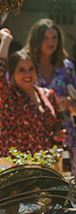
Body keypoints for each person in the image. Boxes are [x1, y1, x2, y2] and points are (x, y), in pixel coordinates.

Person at [25, 19, 76, 170]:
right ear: (36, 39)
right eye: (45, 38)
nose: (51, 42)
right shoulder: (26, 66)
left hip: (64, 133)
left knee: (67, 177)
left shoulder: (66, 67)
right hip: (35, 133)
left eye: (54, 38)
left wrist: (69, 104)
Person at [0, 29, 66, 157]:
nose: (28, 74)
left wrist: (58, 134)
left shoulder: (48, 95)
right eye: (21, 70)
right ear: (12, 73)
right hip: (16, 164)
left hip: (44, 162)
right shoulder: (8, 96)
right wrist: (6, 41)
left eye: (31, 69)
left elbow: (57, 125)